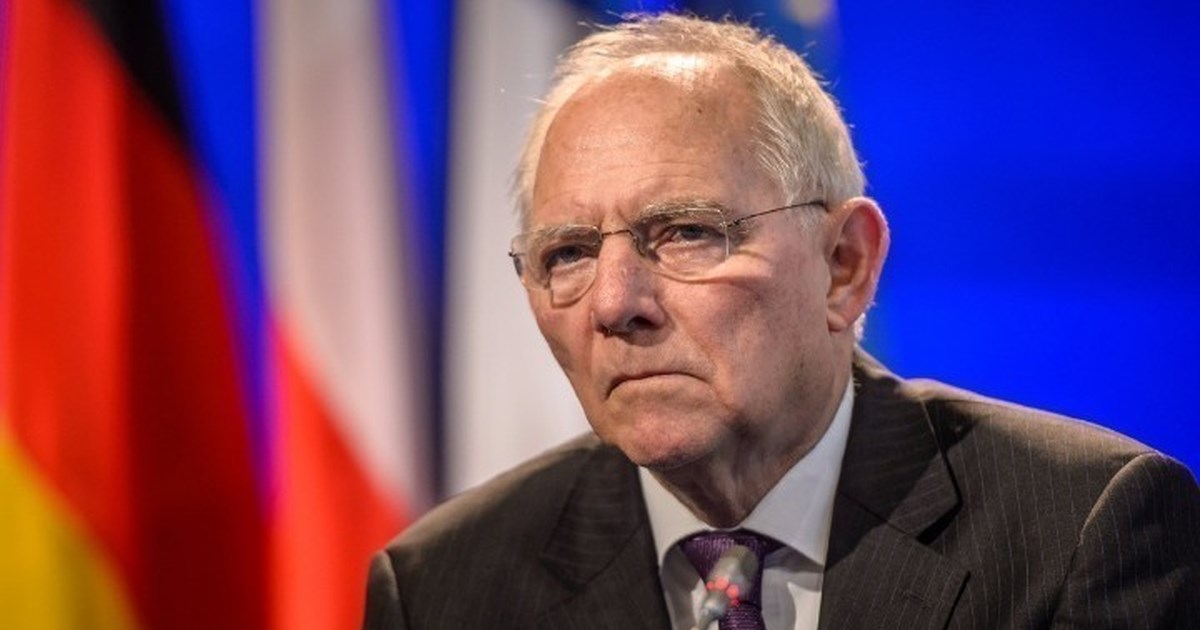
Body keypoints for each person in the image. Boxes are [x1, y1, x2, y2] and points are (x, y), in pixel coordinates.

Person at [363, 13, 1200, 629]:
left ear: (844, 265)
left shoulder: (1080, 531)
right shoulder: (443, 588)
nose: (614, 305)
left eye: (686, 232)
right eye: (569, 253)